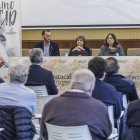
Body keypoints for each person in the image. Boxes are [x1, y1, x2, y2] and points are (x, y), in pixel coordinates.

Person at [40, 69, 112, 140]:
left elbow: (43, 132)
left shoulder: (50, 104)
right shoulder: (100, 107)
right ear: (91, 87)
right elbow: (107, 133)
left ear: (71, 85)